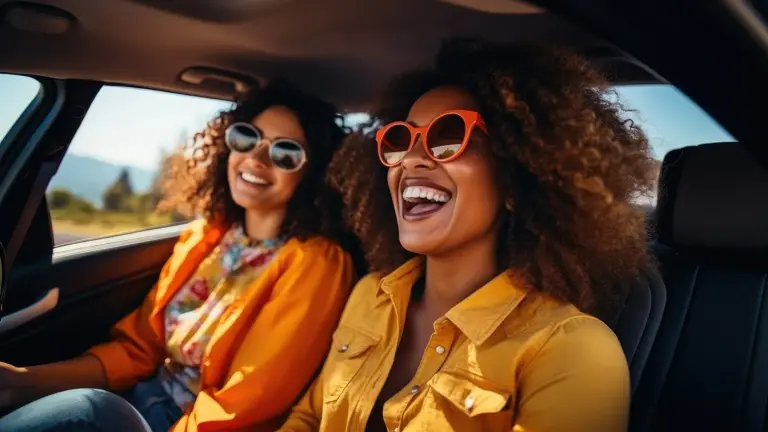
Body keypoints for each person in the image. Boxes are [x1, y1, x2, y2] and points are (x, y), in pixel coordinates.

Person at [279, 39, 657, 432]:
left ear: (515, 181)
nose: (411, 159)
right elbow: (309, 417)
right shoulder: (369, 296)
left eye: (448, 137)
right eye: (400, 140)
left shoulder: (571, 350)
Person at [0, 80, 356, 432]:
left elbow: (244, 404)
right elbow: (139, 352)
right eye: (247, 138)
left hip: (187, 423)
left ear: (313, 173)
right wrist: (22, 382)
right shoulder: (206, 237)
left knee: (89, 411)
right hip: (137, 400)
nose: (257, 159)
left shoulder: (318, 264)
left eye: (286, 153)